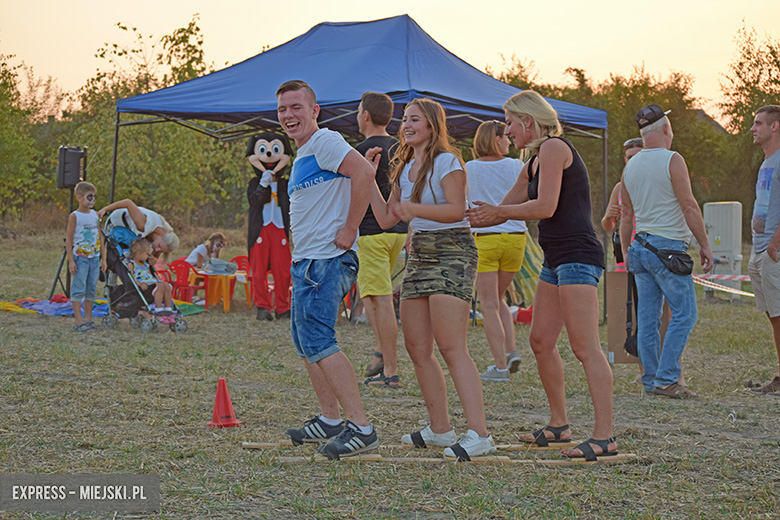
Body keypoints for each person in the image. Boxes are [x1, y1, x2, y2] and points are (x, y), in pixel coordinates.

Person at [468, 90, 615, 461]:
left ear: (528, 121)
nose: (506, 131)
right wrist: (471, 215)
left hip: (578, 255)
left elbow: (545, 205)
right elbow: (508, 205)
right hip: (555, 258)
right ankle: (559, 425)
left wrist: (497, 211)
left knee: (585, 346)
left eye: (509, 123)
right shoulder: (531, 161)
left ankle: (605, 437)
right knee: (540, 341)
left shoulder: (552, 148)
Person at [369, 98, 496, 460]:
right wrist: (367, 178)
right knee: (417, 347)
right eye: (404, 120)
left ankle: (480, 434)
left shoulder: (447, 162)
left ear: (432, 126)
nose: (407, 126)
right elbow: (386, 219)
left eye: (415, 120)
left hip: (453, 249)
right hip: (420, 251)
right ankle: (440, 429)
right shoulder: (404, 166)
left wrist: (415, 209)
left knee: (452, 347)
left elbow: (458, 210)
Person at [276, 80, 379, 460]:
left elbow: (364, 174)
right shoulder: (305, 153)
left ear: (314, 111)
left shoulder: (324, 141)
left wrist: (351, 227)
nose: (289, 115)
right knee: (306, 343)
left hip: (326, 259)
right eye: (283, 110)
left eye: (297, 107)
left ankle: (361, 430)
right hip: (307, 260)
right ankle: (331, 419)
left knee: (319, 341)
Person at [620, 104, 714, 399]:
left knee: (647, 319)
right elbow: (688, 205)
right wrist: (704, 244)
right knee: (685, 314)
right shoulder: (673, 160)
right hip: (668, 248)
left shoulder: (630, 166)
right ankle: (668, 378)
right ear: (665, 129)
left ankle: (650, 381)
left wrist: (626, 252)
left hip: (640, 247)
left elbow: (626, 215)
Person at [465, 120, 526, 382]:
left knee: (489, 303)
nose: (510, 142)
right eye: (506, 138)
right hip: (515, 238)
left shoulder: (468, 168)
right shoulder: (517, 165)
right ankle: (511, 351)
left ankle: (500, 367)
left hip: (484, 239)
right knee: (500, 298)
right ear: (496, 140)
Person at [354, 92, 407, 388]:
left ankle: (391, 371)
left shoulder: (359, 152)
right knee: (372, 294)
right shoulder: (402, 148)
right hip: (397, 230)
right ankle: (380, 353)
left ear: (365, 116)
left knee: (379, 298)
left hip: (372, 232)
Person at [747, 105, 780, 397]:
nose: (753, 128)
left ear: (775, 126)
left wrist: (774, 243)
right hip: (760, 250)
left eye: (758, 123)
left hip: (773, 250)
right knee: (773, 315)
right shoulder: (766, 162)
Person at [246, 131, 293, 321]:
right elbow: (255, 202)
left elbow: (290, 205)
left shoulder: (285, 184)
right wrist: (263, 184)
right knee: (258, 272)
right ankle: (262, 307)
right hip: (261, 230)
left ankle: (282, 307)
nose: (268, 156)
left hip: (280, 229)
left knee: (283, 271)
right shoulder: (254, 183)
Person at [65, 181, 107, 332]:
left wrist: (104, 258)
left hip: (94, 259)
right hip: (80, 258)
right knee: (78, 288)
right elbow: (69, 239)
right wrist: (71, 260)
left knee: (91, 288)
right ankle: (78, 321)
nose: (92, 200)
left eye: (94, 197)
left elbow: (100, 236)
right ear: (79, 197)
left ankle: (88, 319)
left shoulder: (95, 216)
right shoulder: (75, 216)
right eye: (89, 197)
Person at [602, 138, 643, 271]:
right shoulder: (619, 188)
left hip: (649, 249)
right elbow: (607, 227)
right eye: (629, 157)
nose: (633, 160)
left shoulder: (654, 184)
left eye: (638, 156)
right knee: (624, 291)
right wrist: (609, 217)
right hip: (625, 251)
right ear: (625, 159)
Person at [98, 199, 179, 261]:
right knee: (116, 255)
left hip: (130, 231)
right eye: (159, 246)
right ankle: (110, 280)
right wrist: (104, 210)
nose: (156, 250)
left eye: (161, 251)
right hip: (116, 223)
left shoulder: (162, 238)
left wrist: (153, 260)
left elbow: (152, 257)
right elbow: (128, 202)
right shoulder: (144, 224)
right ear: (161, 235)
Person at [127, 239, 175, 318]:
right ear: (139, 254)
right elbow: (130, 278)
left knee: (166, 285)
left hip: (152, 282)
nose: (149, 256)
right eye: (147, 254)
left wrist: (157, 280)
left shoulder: (146, 264)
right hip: (145, 285)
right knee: (159, 286)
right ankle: (158, 308)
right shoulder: (131, 264)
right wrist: (140, 283)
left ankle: (168, 307)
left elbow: (149, 275)